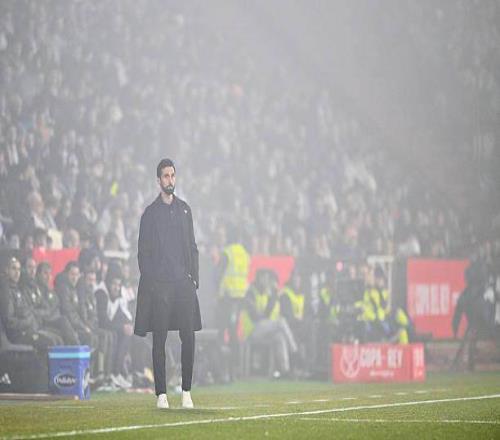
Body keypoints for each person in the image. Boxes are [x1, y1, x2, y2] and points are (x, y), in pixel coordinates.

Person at [134, 158, 201, 409]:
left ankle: (186, 392)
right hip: (160, 285)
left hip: (183, 284)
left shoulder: (185, 210)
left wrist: (194, 279)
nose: (170, 180)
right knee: (159, 339)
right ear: (158, 180)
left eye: (172, 175)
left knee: (189, 337)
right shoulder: (150, 214)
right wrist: (152, 282)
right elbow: (142, 254)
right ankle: (161, 394)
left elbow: (192, 247)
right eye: (165, 176)